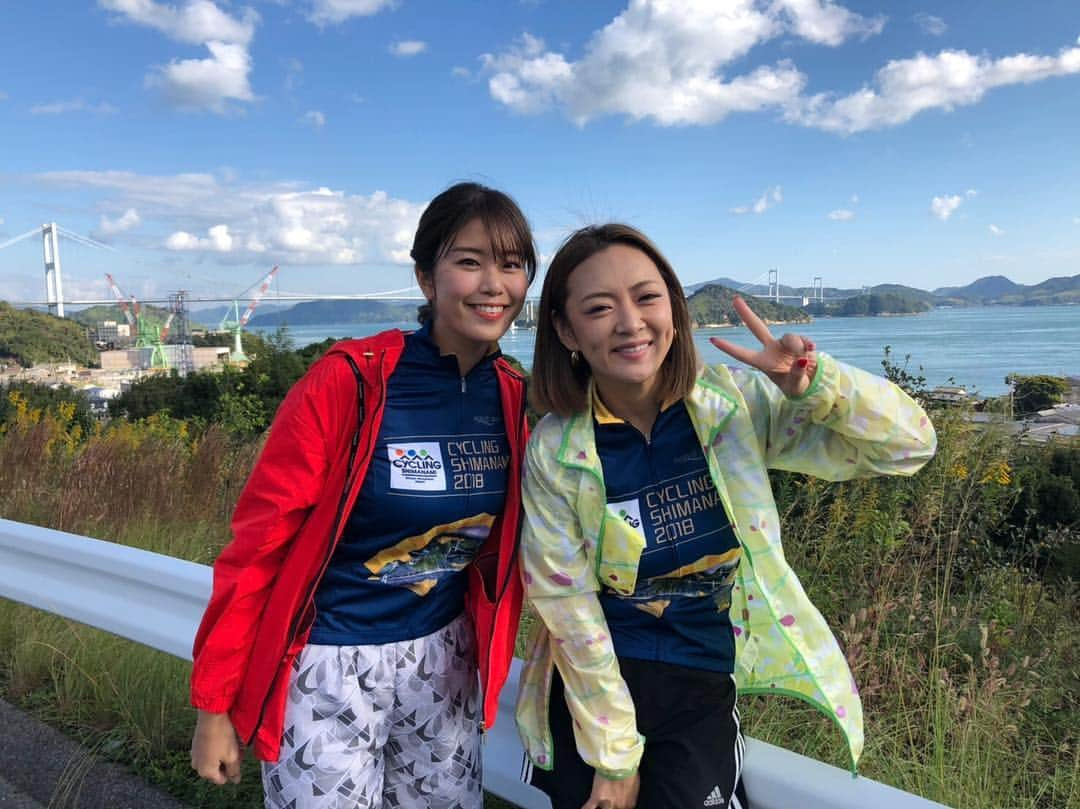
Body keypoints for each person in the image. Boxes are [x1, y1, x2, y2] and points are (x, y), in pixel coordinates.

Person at [516, 223, 937, 809]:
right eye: (599, 307)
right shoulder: (559, 450)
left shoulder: (731, 407)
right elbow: (567, 605)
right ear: (565, 329)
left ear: (674, 308)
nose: (630, 322)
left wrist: (817, 387)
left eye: (646, 297)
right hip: (593, 691)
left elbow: (908, 445)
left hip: (699, 681)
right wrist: (613, 757)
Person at [189, 182, 537, 809]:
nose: (494, 284)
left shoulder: (514, 396)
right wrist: (215, 705)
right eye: (469, 261)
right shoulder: (351, 380)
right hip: (329, 664)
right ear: (426, 279)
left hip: (448, 658)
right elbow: (257, 549)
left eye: (511, 265)